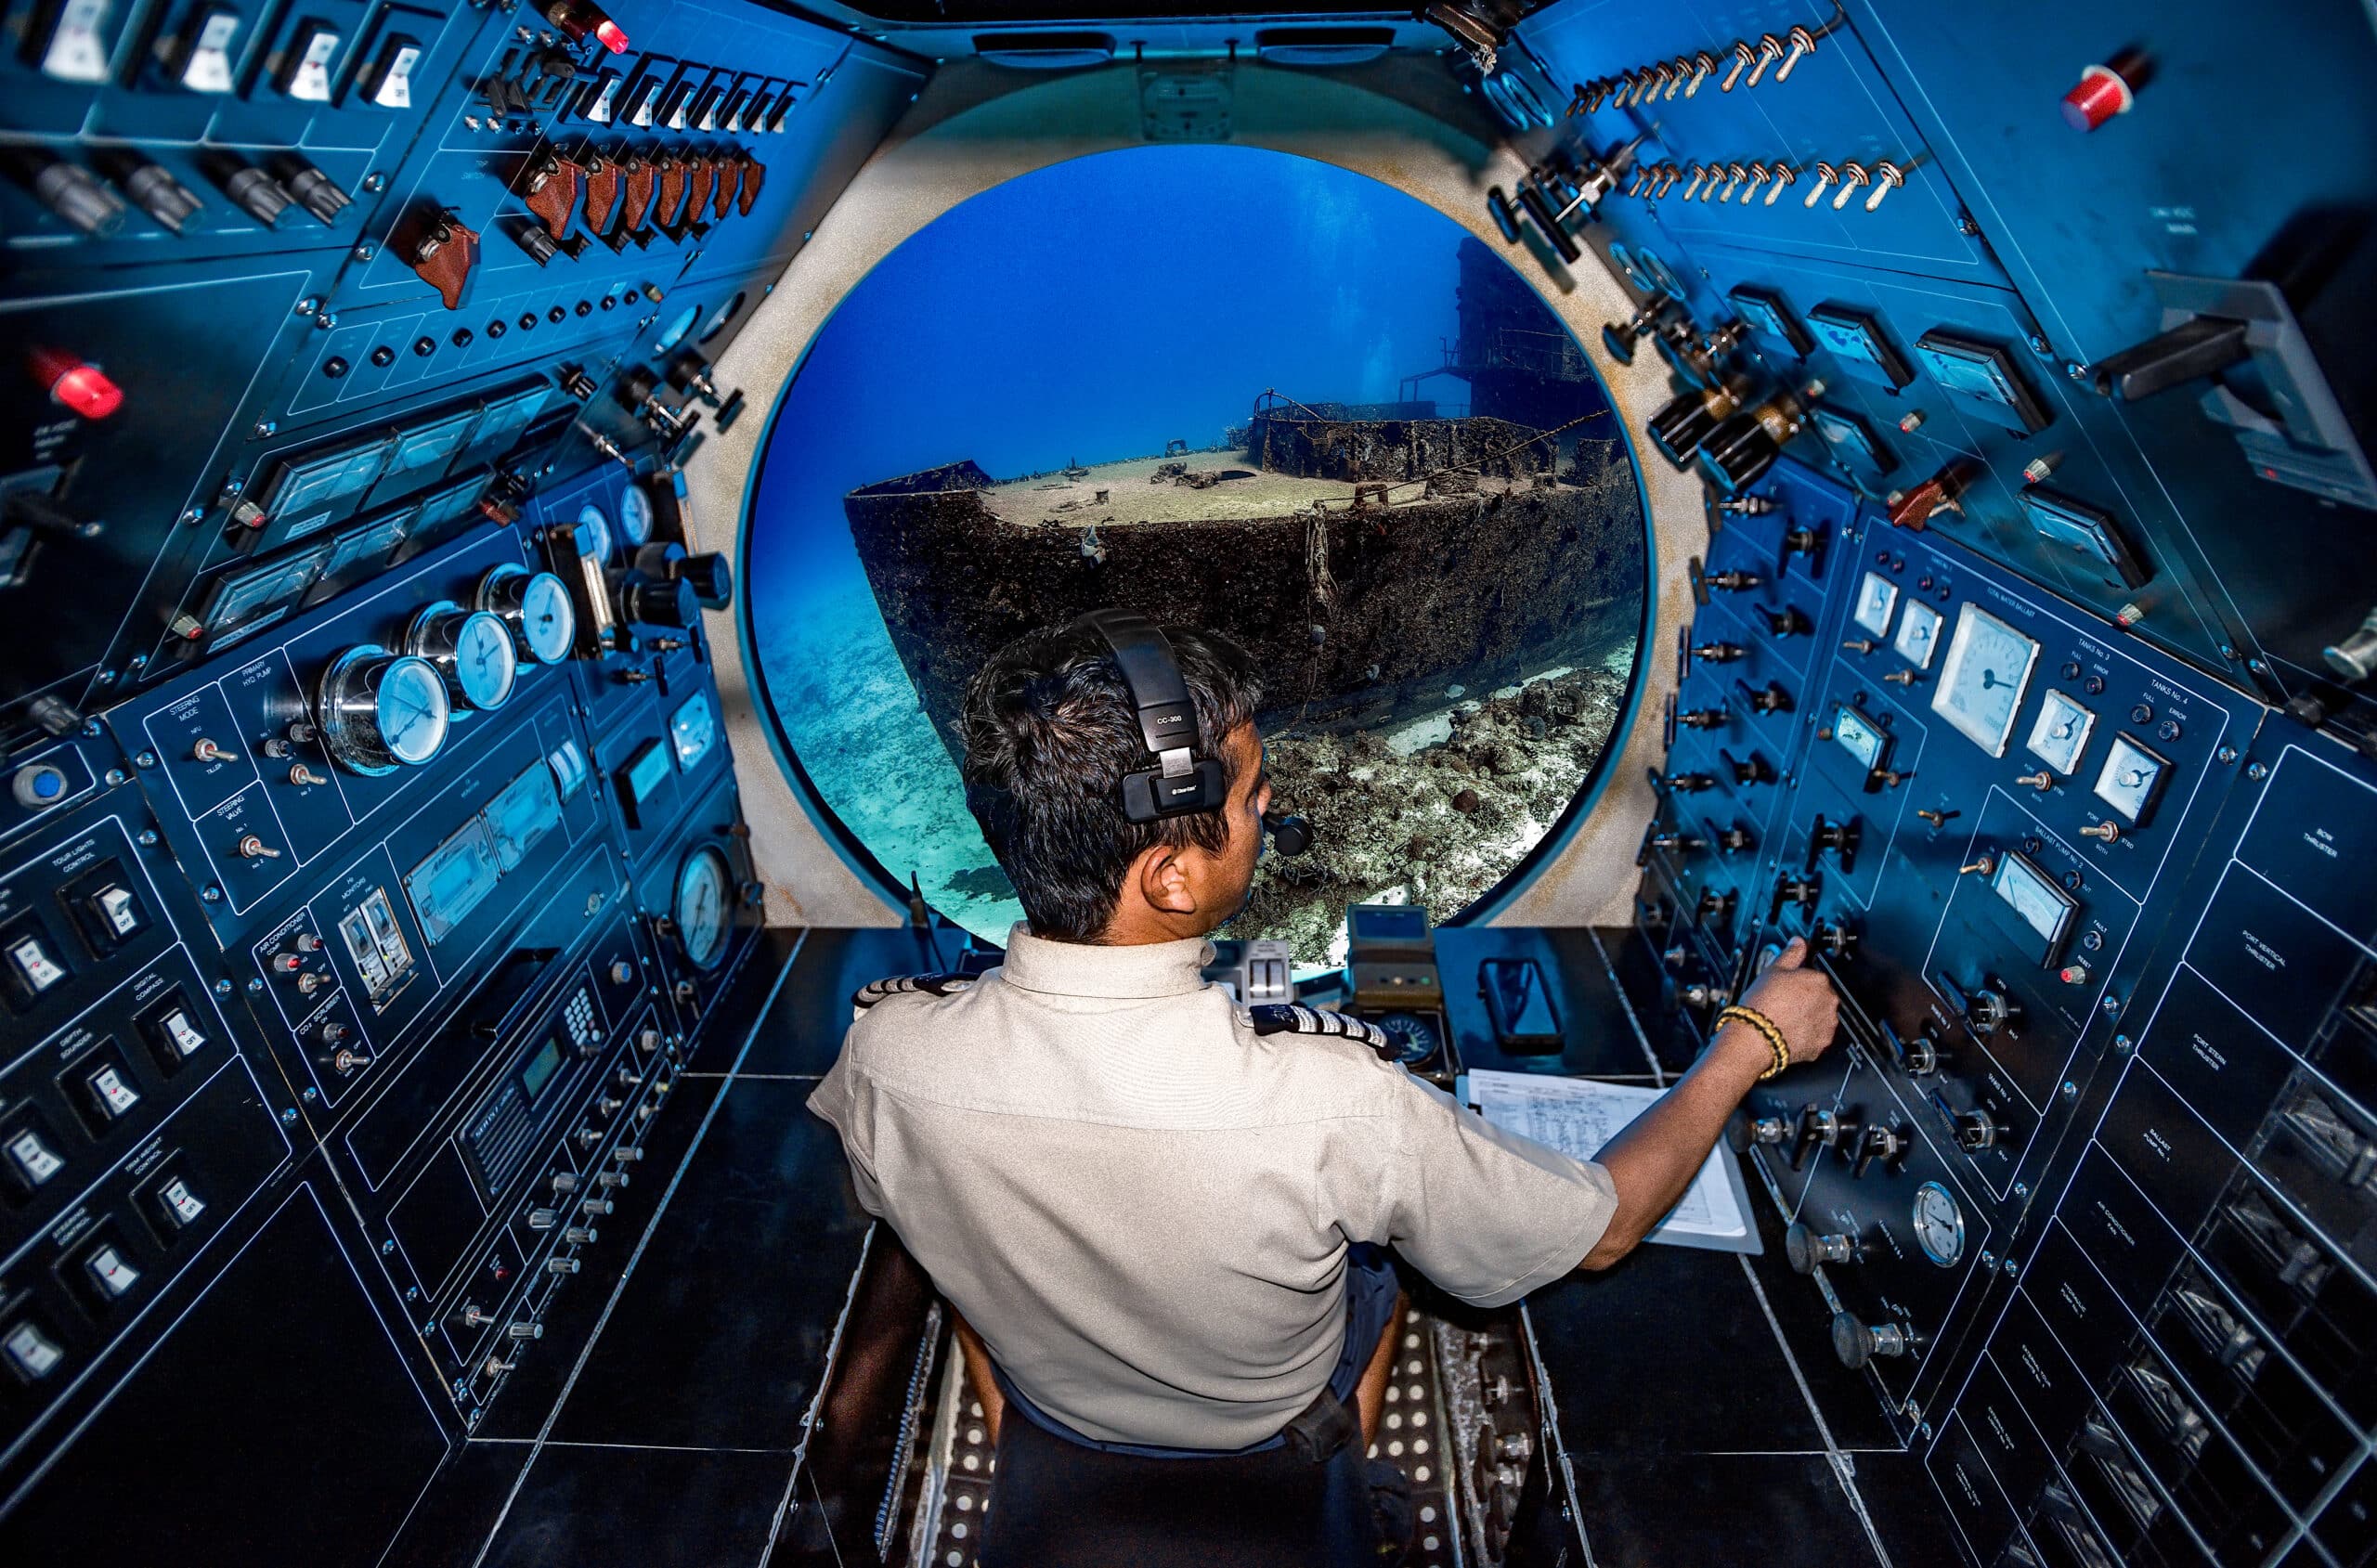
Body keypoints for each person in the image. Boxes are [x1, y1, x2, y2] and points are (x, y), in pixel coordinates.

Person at [807, 617, 1838, 1566]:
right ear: (1171, 876)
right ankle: (1344, 1437)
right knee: (1387, 1258)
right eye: (1251, 796)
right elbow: (1604, 1230)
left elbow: (897, 1199)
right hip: (1260, 1417)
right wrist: (1746, 1044)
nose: (1267, 810)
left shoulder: (885, 1053)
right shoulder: (1335, 1100)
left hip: (1057, 1397)